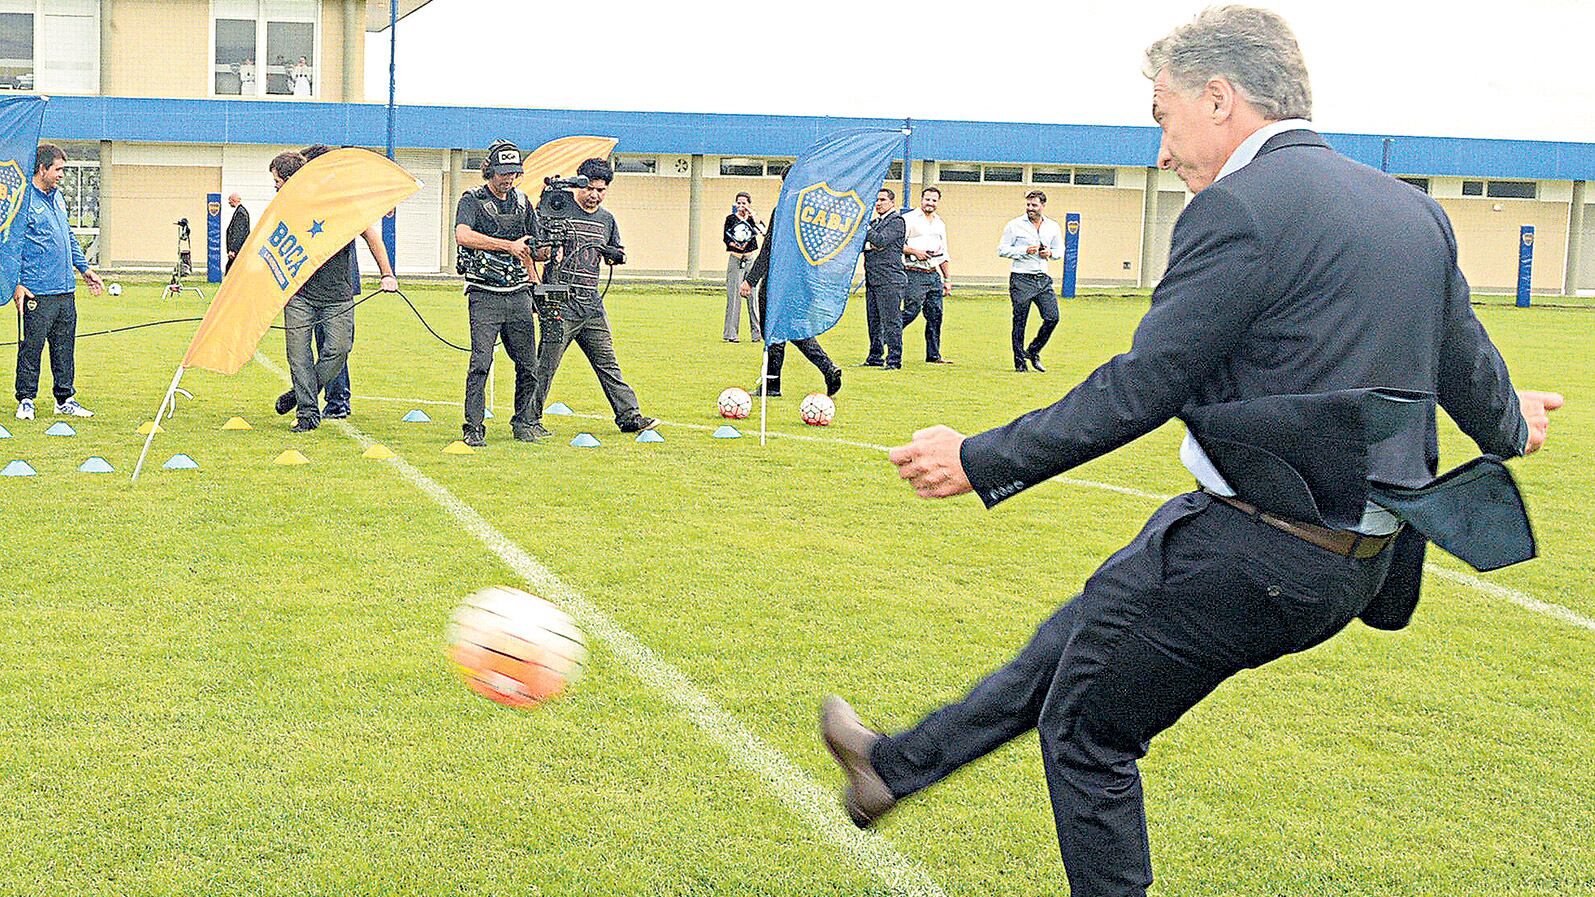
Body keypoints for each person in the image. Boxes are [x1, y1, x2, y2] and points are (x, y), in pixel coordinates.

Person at [818, 8, 1564, 897]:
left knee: (1087, 736)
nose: (1162, 151)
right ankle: (892, 766)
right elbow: (1467, 366)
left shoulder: (1237, 210)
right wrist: (1511, 424)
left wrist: (977, 457)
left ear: (1219, 98)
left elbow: (1143, 385)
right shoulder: (1412, 211)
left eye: (1163, 118)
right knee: (1078, 637)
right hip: (1348, 558)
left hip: (1258, 549)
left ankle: (902, 769)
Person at [267, 149, 397, 433]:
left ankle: (303, 392)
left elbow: (371, 235)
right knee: (298, 355)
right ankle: (307, 413)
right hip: (299, 295)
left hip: (338, 294)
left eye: (278, 181)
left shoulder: (339, 202)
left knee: (338, 350)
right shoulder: (283, 207)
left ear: (291, 179)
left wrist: (387, 274)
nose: (275, 186)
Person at [532, 157, 657, 434]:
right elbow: (536, 249)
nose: (594, 195)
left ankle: (630, 417)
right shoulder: (558, 211)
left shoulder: (607, 220)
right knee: (546, 366)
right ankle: (530, 419)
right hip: (560, 303)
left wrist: (615, 256)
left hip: (592, 306)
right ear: (580, 183)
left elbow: (617, 252)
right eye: (590, 189)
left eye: (601, 190)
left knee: (609, 364)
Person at [454, 139, 546, 446]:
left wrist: (549, 250)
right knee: (480, 363)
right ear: (489, 171)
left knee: (528, 365)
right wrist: (508, 246)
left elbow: (534, 247)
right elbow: (463, 235)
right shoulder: (472, 200)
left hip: (519, 293)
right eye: (503, 172)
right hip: (484, 293)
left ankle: (523, 422)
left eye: (514, 173)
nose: (508, 178)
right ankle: (473, 427)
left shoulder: (523, 201)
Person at [12, 144, 105, 421]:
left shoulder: (59, 199)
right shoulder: (23, 201)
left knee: (64, 348)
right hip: (36, 291)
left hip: (65, 290)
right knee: (31, 348)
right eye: (59, 169)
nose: (62, 175)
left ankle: (64, 399)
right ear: (42, 169)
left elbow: (68, 237)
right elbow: (9, 245)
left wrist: (84, 268)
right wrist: (15, 283)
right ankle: (26, 399)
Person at [739, 195, 842, 398]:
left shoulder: (783, 210)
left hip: (778, 281)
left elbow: (769, 249)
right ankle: (827, 368)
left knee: (773, 331)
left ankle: (772, 385)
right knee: (795, 329)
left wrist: (750, 280)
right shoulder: (812, 213)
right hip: (800, 282)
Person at [998, 190, 1065, 372]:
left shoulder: (1052, 226)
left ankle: (1033, 350)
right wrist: (1023, 250)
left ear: (1043, 206)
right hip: (1021, 278)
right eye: (1028, 205)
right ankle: (1020, 362)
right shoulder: (1014, 225)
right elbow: (1002, 249)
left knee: (1052, 317)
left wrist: (1049, 253)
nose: (1030, 209)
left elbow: (1060, 251)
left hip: (1042, 279)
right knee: (1020, 321)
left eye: (1034, 205)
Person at [900, 186, 952, 364]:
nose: (930, 203)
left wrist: (947, 279)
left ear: (938, 202)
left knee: (936, 315)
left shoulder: (939, 223)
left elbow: (944, 253)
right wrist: (914, 251)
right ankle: (883, 341)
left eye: (934, 200)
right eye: (927, 199)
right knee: (910, 311)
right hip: (914, 272)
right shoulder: (909, 219)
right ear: (921, 199)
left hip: (933, 274)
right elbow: (897, 244)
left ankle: (934, 355)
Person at [860, 187, 906, 370]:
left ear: (892, 203)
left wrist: (866, 230)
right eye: (877, 200)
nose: (878, 204)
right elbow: (866, 244)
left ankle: (894, 360)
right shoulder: (876, 222)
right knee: (874, 321)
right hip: (873, 278)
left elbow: (880, 240)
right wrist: (871, 241)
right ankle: (875, 356)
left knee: (891, 321)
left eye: (882, 200)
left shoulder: (896, 221)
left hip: (890, 279)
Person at [722, 192, 762, 343]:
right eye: (738, 203)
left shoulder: (751, 219)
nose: (741, 206)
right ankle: (731, 333)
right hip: (736, 259)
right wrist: (736, 244)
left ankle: (757, 333)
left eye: (744, 203)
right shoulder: (730, 219)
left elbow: (761, 229)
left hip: (750, 260)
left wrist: (753, 214)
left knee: (753, 296)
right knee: (734, 296)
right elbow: (726, 238)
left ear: (749, 204)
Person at [224, 192, 250, 272]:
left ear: (233, 200)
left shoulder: (240, 213)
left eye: (229, 200)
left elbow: (238, 232)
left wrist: (233, 250)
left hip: (237, 250)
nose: (229, 202)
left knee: (231, 270)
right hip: (239, 249)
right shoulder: (241, 211)